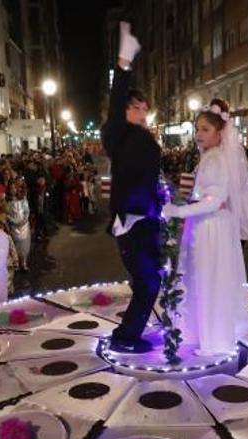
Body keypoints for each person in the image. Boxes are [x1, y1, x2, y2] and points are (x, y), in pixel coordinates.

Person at [163, 99, 248, 355]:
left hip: (211, 228)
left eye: (205, 129)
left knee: (209, 280)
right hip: (207, 225)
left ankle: (214, 340)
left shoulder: (217, 159)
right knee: (203, 279)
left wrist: (178, 211)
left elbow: (214, 200)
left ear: (220, 133)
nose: (199, 134)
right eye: (198, 129)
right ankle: (201, 333)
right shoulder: (209, 157)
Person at [101, 23, 162, 354]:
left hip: (146, 219)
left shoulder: (143, 137)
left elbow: (147, 176)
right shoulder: (118, 135)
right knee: (148, 281)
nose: (140, 111)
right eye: (133, 107)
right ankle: (126, 337)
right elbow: (115, 102)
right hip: (132, 220)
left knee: (150, 280)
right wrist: (123, 63)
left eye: (143, 107)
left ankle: (129, 331)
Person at [7, 181, 32, 272]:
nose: (13, 190)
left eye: (14, 188)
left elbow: (26, 211)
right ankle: (16, 263)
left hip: (23, 225)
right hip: (14, 226)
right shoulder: (8, 201)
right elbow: (7, 214)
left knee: (24, 244)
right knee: (16, 244)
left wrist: (24, 221)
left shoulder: (23, 199)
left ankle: (24, 263)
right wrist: (13, 221)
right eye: (11, 188)